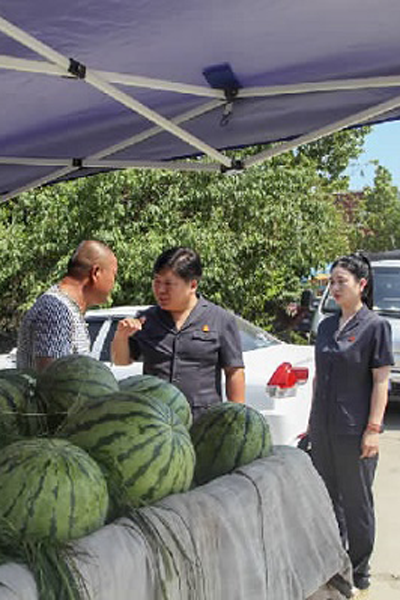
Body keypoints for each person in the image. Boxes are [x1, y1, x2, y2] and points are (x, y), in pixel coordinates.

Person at [308, 252, 393, 595]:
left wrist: (373, 430)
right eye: (332, 282)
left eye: (341, 281)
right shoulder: (327, 325)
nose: (335, 287)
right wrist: (312, 422)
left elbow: (381, 382)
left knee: (356, 502)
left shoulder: (375, 327)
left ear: (362, 284)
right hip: (324, 427)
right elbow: (319, 378)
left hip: (355, 429)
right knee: (328, 500)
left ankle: (360, 571)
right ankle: (334, 562)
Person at [111, 247, 245, 420]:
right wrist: (121, 336)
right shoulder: (147, 319)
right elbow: (121, 361)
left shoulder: (220, 319)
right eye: (157, 281)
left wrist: (238, 418)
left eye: (168, 284)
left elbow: (234, 371)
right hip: (156, 420)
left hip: (202, 422)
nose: (160, 290)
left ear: (193, 285)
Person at [17, 240, 118, 372]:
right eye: (113, 275)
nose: (114, 283)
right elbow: (55, 380)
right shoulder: (56, 311)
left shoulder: (66, 309)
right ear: (95, 273)